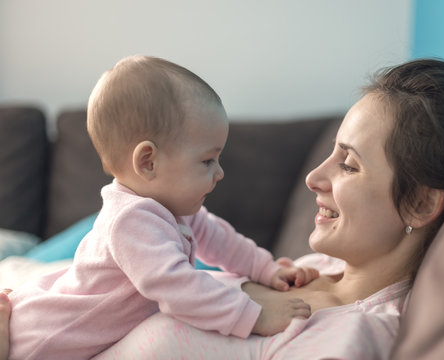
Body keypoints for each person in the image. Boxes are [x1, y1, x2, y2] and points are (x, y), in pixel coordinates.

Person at [5, 58, 444, 359]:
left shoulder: (353, 337)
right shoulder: (312, 272)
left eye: (348, 165)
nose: (313, 178)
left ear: (421, 202)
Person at [7, 55, 319, 360]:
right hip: (47, 339)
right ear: (148, 162)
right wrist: (253, 317)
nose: (220, 172)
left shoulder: (171, 209)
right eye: (207, 160)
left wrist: (267, 270)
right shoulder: (130, 221)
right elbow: (179, 289)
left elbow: (220, 239)